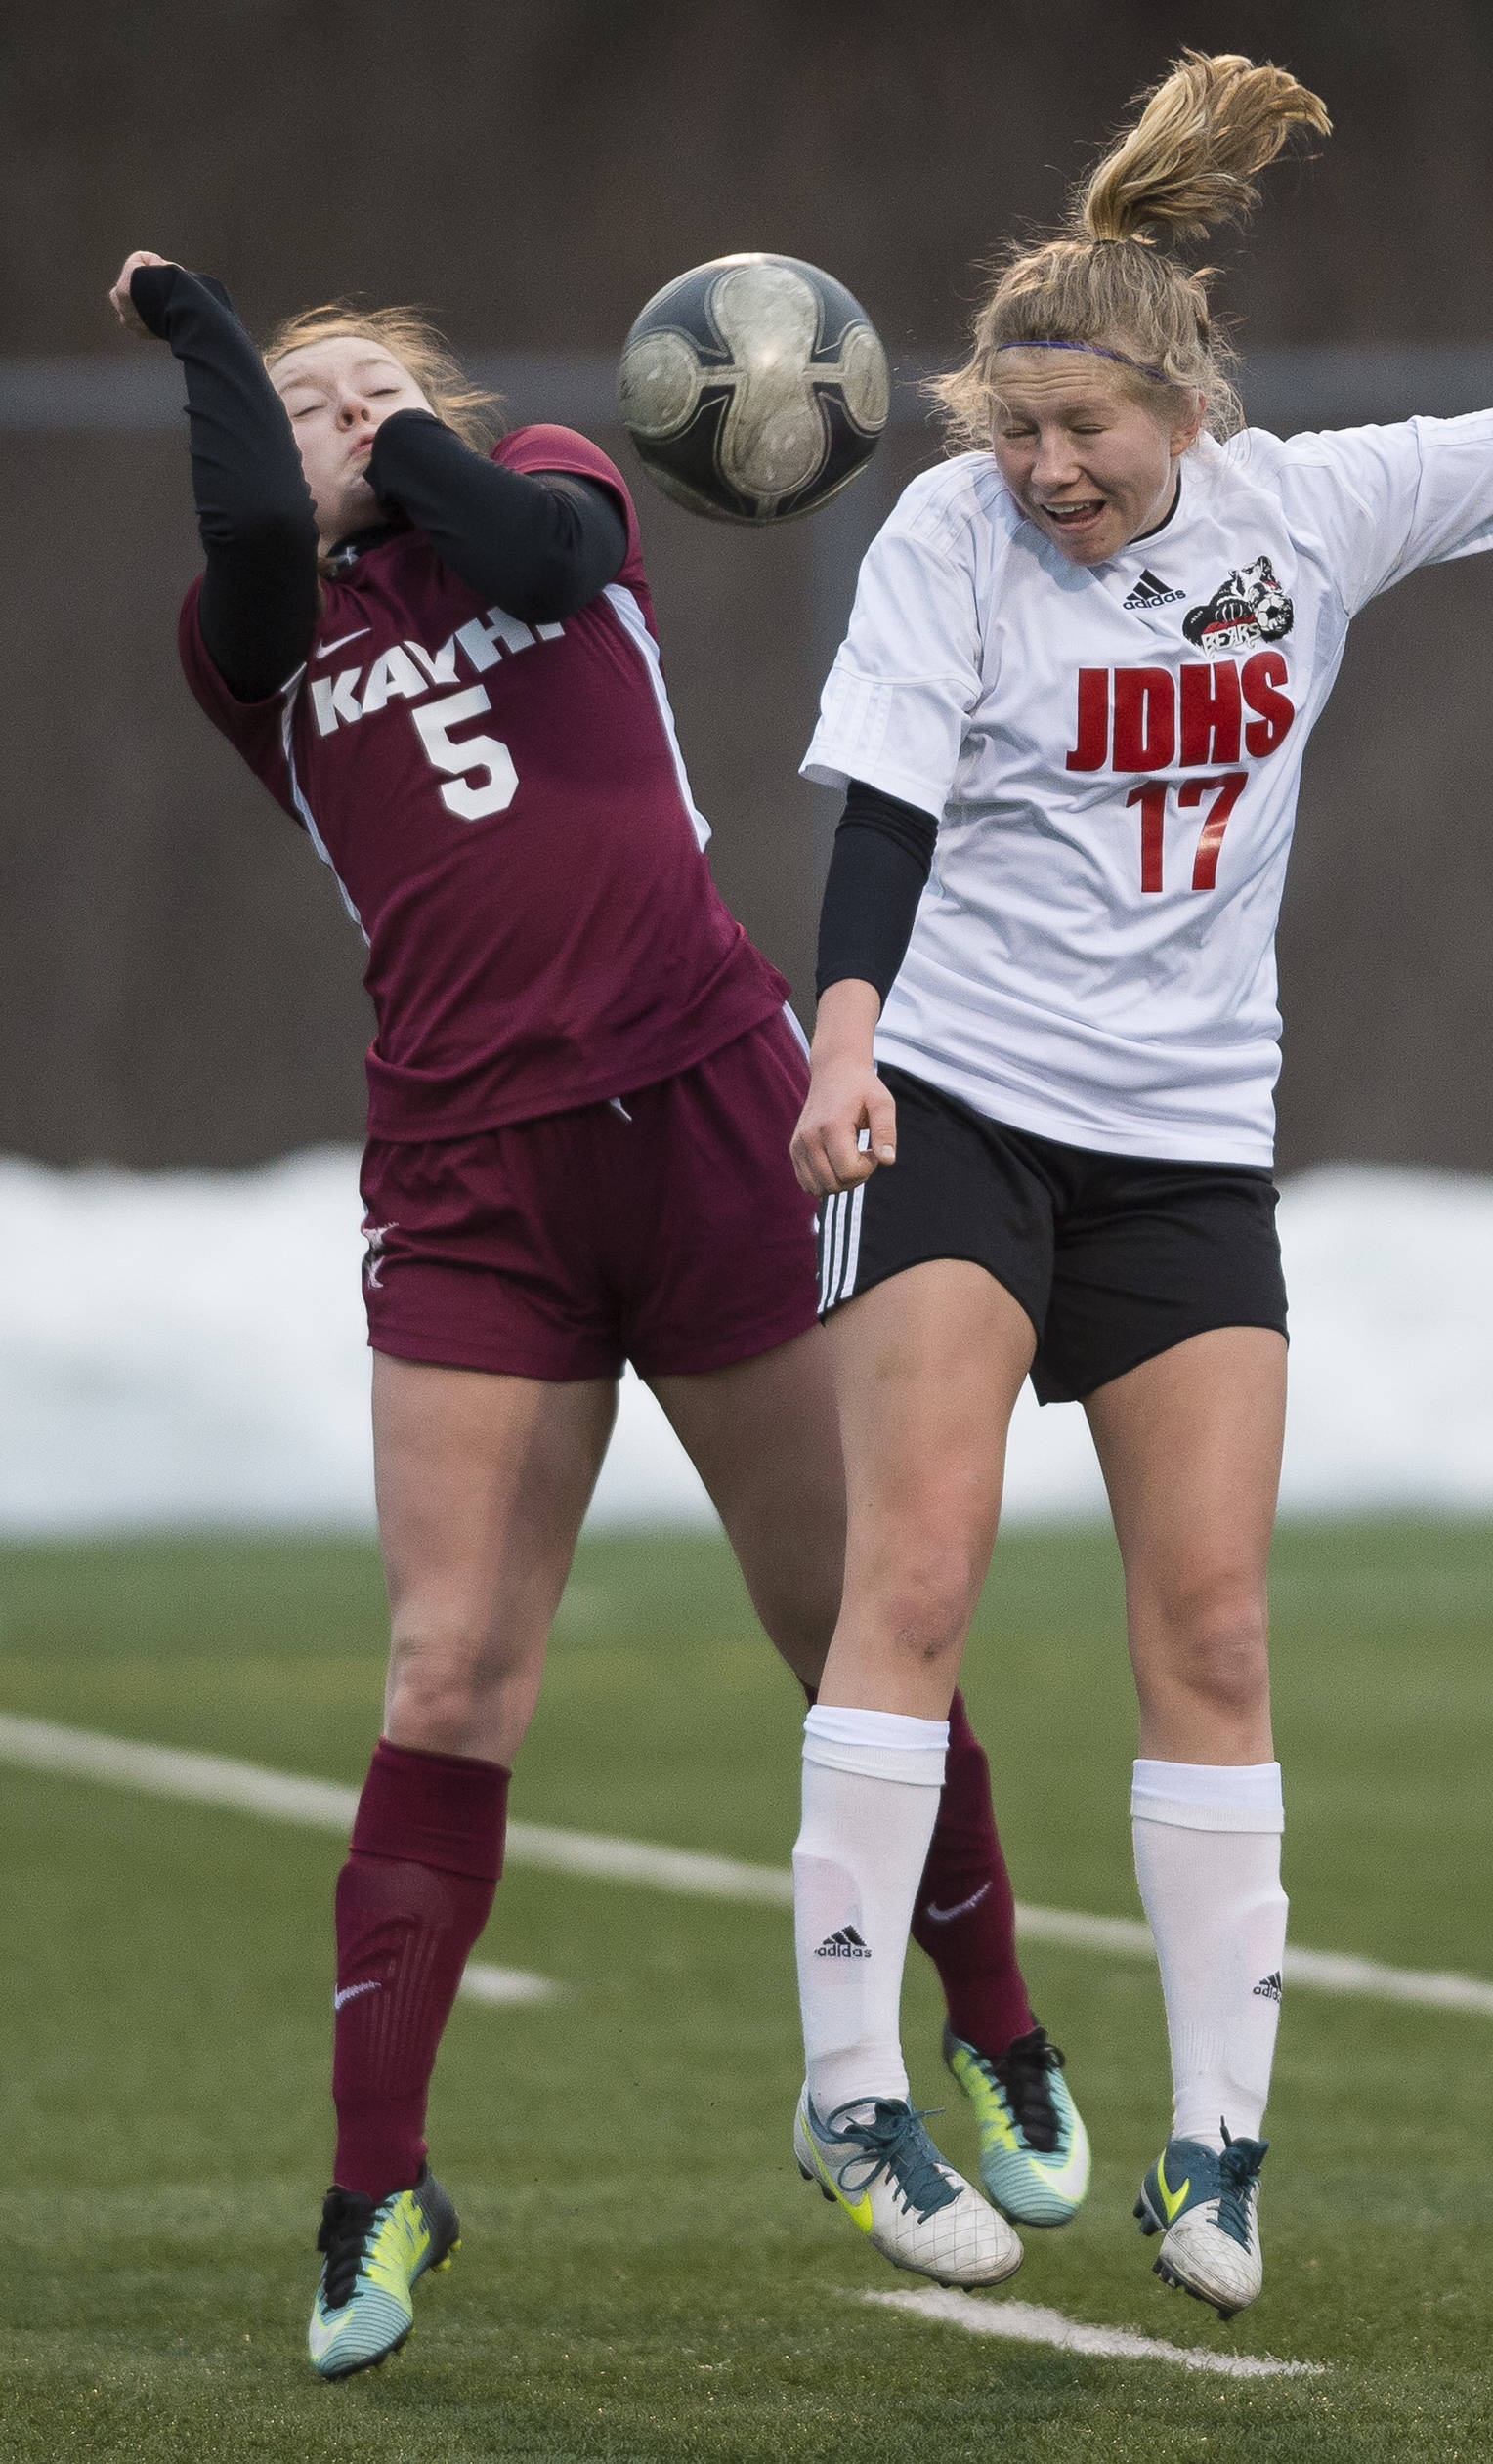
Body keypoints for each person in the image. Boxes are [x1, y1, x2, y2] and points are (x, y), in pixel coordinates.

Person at [786, 52, 1493, 2316]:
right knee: (911, 1579)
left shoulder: (1315, 510)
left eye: (1079, 435)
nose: (1041, 470)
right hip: (953, 1112)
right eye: (1009, 435)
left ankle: (1215, 2151)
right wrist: (838, 1044)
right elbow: (882, 820)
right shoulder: (948, 541)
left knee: (1210, 1626)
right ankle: (849, 2085)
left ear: (1183, 406)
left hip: (1191, 1141)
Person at [108, 253, 1090, 2376]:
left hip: (709, 1112)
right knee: (452, 1667)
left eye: (376, 380)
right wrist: (216, 350)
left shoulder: (547, 487)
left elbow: (534, 537)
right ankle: (378, 2187)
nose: (347, 409)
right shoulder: (250, 643)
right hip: (476, 1182)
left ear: (442, 404)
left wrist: (404, 435)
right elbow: (258, 551)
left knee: (850, 1616)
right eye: (305, 399)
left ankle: (996, 2020)